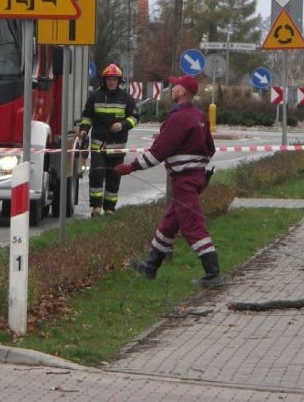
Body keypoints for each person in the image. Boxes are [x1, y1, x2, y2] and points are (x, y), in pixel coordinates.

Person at [114, 74, 221, 288]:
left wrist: (131, 167)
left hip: (184, 181)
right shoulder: (199, 116)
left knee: (193, 225)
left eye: (174, 86)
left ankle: (212, 273)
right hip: (194, 178)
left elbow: (159, 151)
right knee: (170, 223)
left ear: (182, 91)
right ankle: (151, 266)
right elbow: (210, 149)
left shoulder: (178, 118)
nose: (171, 89)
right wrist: (198, 172)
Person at [78, 63, 139, 217]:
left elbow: (135, 117)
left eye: (114, 79)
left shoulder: (126, 98)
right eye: (109, 79)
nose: (111, 82)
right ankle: (96, 208)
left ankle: (110, 208)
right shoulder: (95, 97)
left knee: (114, 176)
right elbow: (87, 116)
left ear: (119, 81)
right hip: (98, 145)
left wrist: (123, 125)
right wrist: (84, 130)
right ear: (104, 81)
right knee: (97, 174)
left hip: (117, 146)